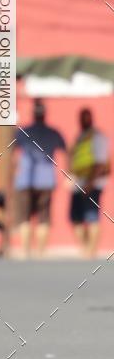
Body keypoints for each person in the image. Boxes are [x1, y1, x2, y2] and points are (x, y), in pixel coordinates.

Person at [12, 99, 66, 258]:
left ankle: (26, 251)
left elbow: (12, 154)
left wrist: (13, 172)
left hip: (25, 180)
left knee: (25, 216)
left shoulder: (22, 132)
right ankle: (41, 252)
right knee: (44, 217)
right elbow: (66, 151)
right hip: (46, 180)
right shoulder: (53, 132)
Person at [69, 107, 110, 258]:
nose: (83, 120)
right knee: (76, 217)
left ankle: (91, 251)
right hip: (79, 182)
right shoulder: (81, 136)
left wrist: (90, 184)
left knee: (92, 216)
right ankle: (85, 248)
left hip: (92, 184)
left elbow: (99, 164)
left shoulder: (97, 137)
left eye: (85, 117)